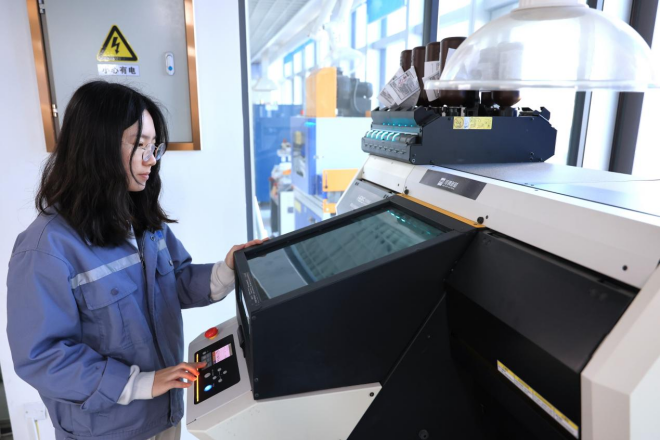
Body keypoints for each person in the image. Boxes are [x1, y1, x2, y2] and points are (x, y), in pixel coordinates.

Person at [6, 81, 264, 440]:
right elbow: (42, 358)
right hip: (107, 431)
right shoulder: (45, 249)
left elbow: (174, 282)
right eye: (139, 144)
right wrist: (140, 383)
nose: (151, 159)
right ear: (97, 147)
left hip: (165, 414)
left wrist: (228, 270)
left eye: (153, 146)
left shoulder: (140, 221)